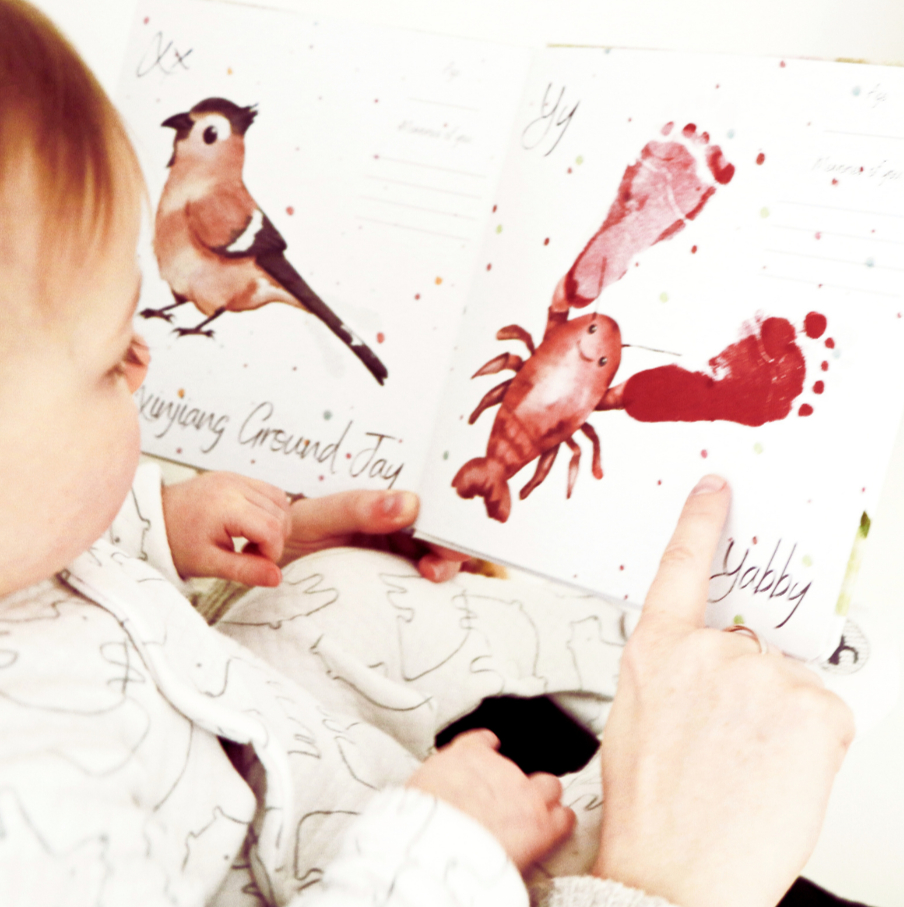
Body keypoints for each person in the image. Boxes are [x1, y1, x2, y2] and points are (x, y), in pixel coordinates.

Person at [0, 2, 854, 904]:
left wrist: (158, 528)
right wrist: (660, 886)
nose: (143, 360)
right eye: (107, 360)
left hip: (351, 771)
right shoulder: (32, 824)